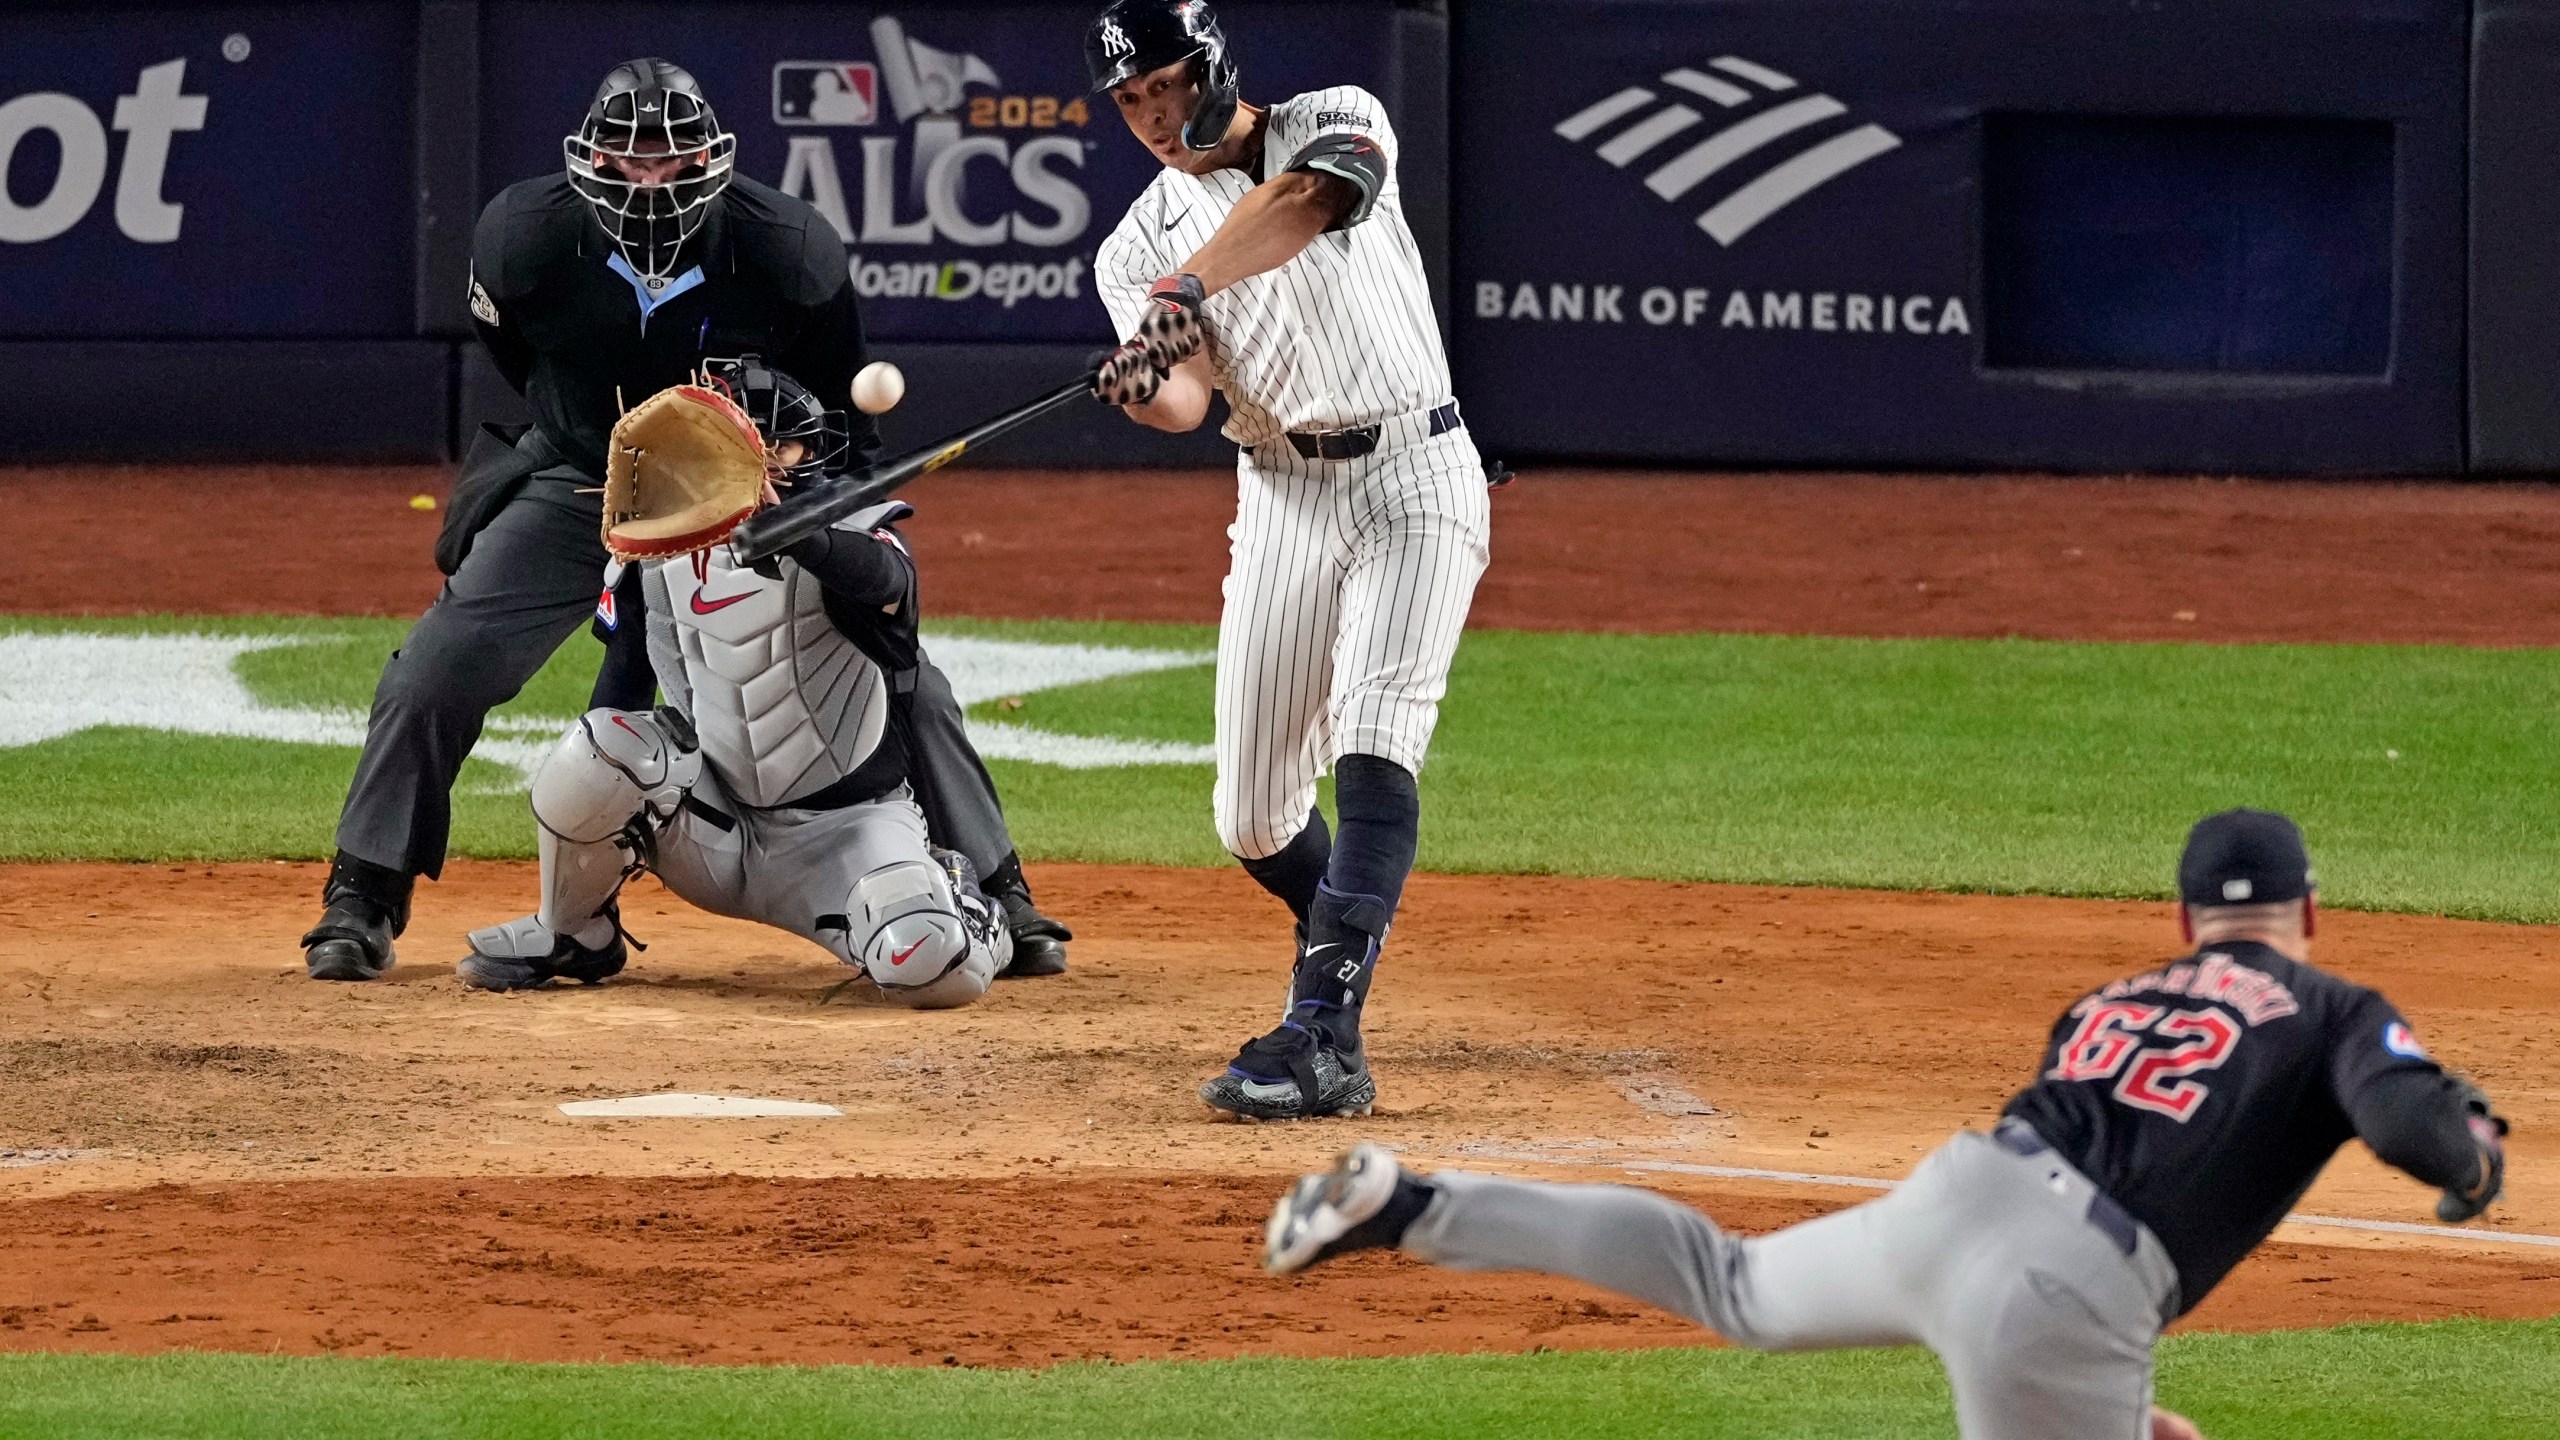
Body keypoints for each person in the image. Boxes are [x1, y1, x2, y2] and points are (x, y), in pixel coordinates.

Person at [1264, 810, 2510, 1440]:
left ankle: (1420, 1206)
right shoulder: (2333, 1002)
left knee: (1732, 1282)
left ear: (2184, 925)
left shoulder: (2114, 996)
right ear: (2311, 911)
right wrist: (2470, 1158)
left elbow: (2079, 1179)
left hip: (1963, 1191)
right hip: (2072, 1281)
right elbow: (2405, 1122)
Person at [299, 58, 1069, 984]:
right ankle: (365, 892)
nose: (650, 183)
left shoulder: (790, 250)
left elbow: (845, 429)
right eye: (628, 164)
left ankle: (1000, 891)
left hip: (746, 489)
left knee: (906, 677)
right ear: (589, 164)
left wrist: (821, 532)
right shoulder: (520, 241)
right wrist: (608, 449)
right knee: (439, 665)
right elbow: (524, 362)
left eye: (671, 163)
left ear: (714, 160)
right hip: (584, 476)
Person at [1082, 0, 1492, 1119]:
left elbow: (1303, 204)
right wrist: (1140, 383)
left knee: (1372, 736)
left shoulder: (1335, 119)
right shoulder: (1133, 246)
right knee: (1253, 818)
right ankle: (1342, 960)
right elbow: (1185, 400)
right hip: (1280, 494)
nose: (1156, 117)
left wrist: (1187, 290)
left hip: (1416, 471)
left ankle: (1324, 1034)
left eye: (1167, 84)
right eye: (1130, 102)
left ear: (1209, 64)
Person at [456, 361, 1011, 1005]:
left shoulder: (856, 533)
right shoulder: (654, 554)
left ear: (812, 454)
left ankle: (971, 914)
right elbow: (622, 688)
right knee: (601, 748)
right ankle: (573, 932)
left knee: (931, 966)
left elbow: (890, 585)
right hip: (715, 830)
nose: (765, 460)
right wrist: (606, 800)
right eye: (745, 442)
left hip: (848, 839)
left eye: (782, 445)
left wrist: (807, 537)